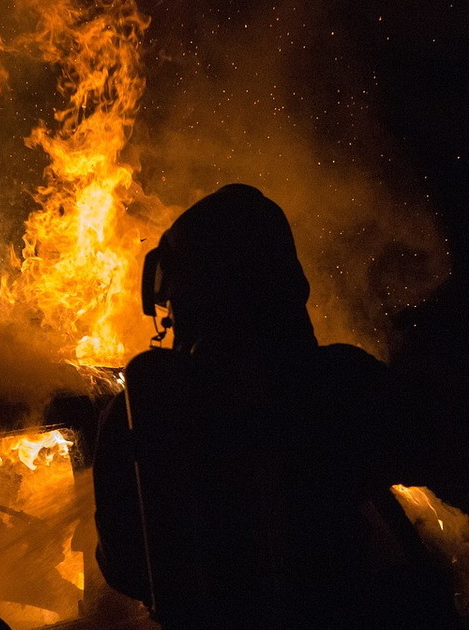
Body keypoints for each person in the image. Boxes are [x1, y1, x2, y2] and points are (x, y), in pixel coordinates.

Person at [92, 184, 465, 629]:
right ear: (287, 281)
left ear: (179, 301)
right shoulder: (340, 383)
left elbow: (121, 566)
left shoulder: (137, 411)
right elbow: (450, 458)